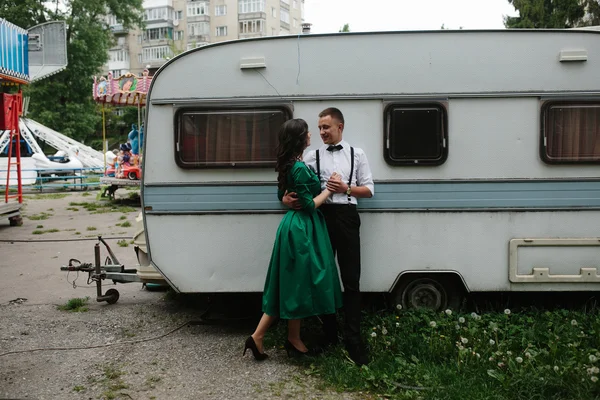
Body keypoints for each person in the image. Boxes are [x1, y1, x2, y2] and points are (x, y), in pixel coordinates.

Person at [244, 118, 343, 361]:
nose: (312, 135)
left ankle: (283, 338)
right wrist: (329, 190)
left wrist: (286, 199)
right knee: (297, 283)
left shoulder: (292, 164)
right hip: (302, 228)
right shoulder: (298, 167)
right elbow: (309, 205)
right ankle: (269, 337)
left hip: (295, 225)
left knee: (293, 283)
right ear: (301, 139)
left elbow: (283, 194)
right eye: (308, 133)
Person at [283, 107, 374, 366]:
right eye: (319, 128)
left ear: (340, 127)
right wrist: (285, 198)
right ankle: (330, 333)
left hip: (347, 217)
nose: (321, 132)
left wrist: (346, 188)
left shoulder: (358, 154)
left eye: (326, 127)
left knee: (351, 279)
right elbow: (293, 180)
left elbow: (369, 190)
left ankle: (353, 339)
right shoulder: (312, 155)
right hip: (320, 219)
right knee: (325, 278)